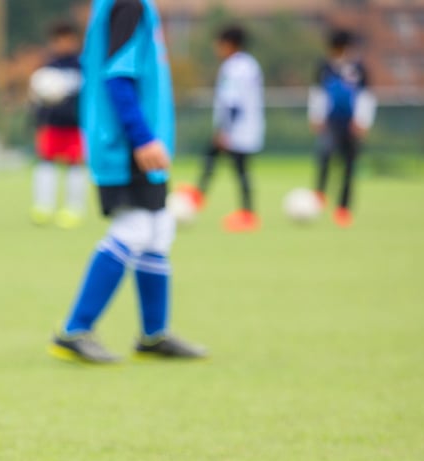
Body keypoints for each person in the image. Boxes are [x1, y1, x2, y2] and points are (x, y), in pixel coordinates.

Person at [49, 0, 206, 365]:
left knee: (158, 228)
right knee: (135, 227)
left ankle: (153, 335)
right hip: (125, 145)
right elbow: (117, 76)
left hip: (137, 142)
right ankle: (75, 329)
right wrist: (141, 137)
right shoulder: (127, 3)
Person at [197, 25, 265, 233]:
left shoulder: (233, 67)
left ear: (229, 44)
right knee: (218, 159)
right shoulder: (250, 65)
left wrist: (225, 130)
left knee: (238, 169)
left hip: (237, 129)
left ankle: (246, 213)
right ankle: (199, 196)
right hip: (248, 127)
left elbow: (232, 102)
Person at [308, 29, 376, 229]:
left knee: (348, 165)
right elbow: (317, 93)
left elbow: (366, 96)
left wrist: (362, 121)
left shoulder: (358, 68)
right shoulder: (325, 67)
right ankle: (319, 193)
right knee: (324, 154)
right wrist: (316, 117)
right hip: (330, 121)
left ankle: (343, 208)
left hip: (351, 123)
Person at [30, 21, 87, 229]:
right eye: (58, 40)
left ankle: (73, 209)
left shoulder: (83, 66)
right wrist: (37, 123)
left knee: (75, 166)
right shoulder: (48, 67)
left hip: (76, 126)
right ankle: (43, 207)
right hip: (52, 125)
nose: (63, 44)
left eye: (67, 39)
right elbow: (36, 98)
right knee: (45, 164)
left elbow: (90, 99)